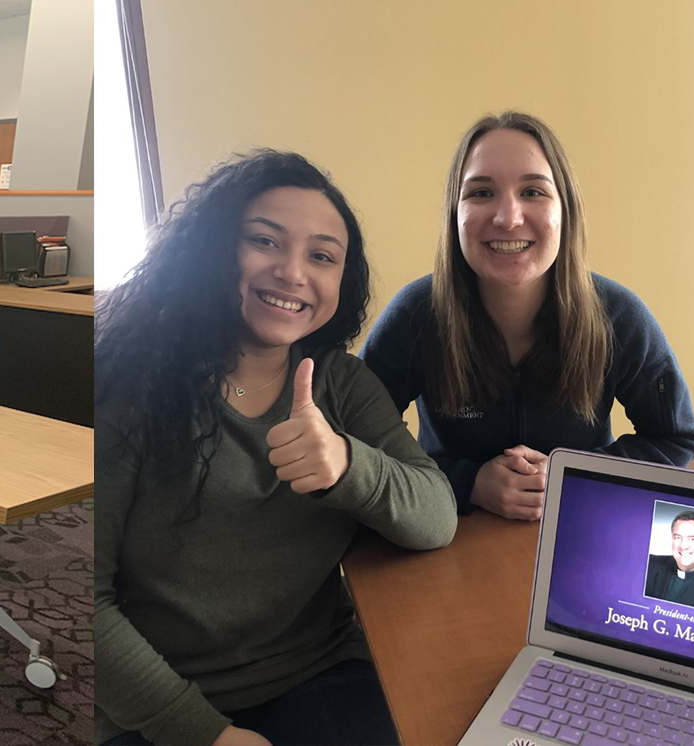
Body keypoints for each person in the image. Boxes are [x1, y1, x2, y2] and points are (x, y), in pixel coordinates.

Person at [95, 151, 457, 746]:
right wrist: (202, 733)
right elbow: (88, 599)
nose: (293, 273)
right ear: (212, 250)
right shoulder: (126, 385)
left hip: (318, 674)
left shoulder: (341, 384)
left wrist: (346, 463)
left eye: (321, 256)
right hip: (152, 699)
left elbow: (436, 517)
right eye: (265, 242)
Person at [361, 111, 694, 521]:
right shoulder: (415, 316)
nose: (508, 218)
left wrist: (574, 477)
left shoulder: (618, 317)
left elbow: (674, 440)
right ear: (455, 214)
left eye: (533, 192)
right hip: (447, 539)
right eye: (481, 193)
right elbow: (360, 439)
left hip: (577, 532)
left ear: (566, 210)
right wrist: (468, 483)